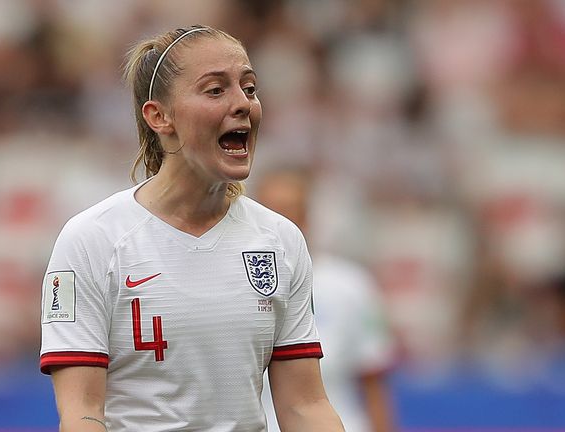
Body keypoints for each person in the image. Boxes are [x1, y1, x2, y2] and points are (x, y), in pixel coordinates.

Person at [39, 25, 344, 431]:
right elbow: (82, 412)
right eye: (215, 90)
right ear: (159, 116)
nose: (242, 104)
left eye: (249, 88)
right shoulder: (93, 239)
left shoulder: (281, 239)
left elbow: (305, 406)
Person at [254, 167, 397, 432]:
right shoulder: (235, 284)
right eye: (269, 211)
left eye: (288, 210)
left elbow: (373, 380)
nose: (278, 222)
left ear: (307, 216)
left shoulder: (351, 284)